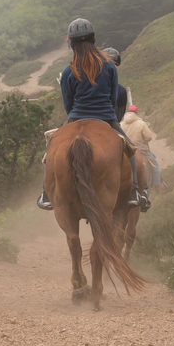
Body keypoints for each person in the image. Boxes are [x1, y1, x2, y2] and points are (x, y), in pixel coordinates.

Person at [37, 18, 146, 211]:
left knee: (51, 149)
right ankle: (134, 191)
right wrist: (105, 113)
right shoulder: (110, 66)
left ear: (71, 43)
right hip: (106, 117)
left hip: (76, 117)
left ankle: (46, 193)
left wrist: (76, 117)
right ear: (94, 40)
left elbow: (68, 104)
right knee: (129, 149)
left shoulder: (68, 71)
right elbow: (113, 98)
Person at [121, 105, 159, 204]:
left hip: (124, 151)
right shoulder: (141, 123)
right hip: (140, 150)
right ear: (136, 113)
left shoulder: (121, 124)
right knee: (154, 162)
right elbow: (148, 137)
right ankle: (157, 185)